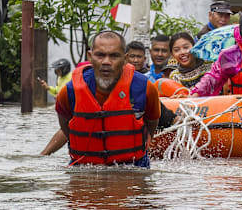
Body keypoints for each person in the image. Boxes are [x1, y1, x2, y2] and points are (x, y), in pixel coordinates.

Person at [54, 31, 166, 167]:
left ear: (125, 59)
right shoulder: (69, 91)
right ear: (90, 56)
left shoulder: (145, 88)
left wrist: (143, 143)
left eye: (114, 56)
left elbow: (152, 120)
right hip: (85, 166)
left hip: (133, 165)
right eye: (100, 55)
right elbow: (65, 125)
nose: (106, 62)